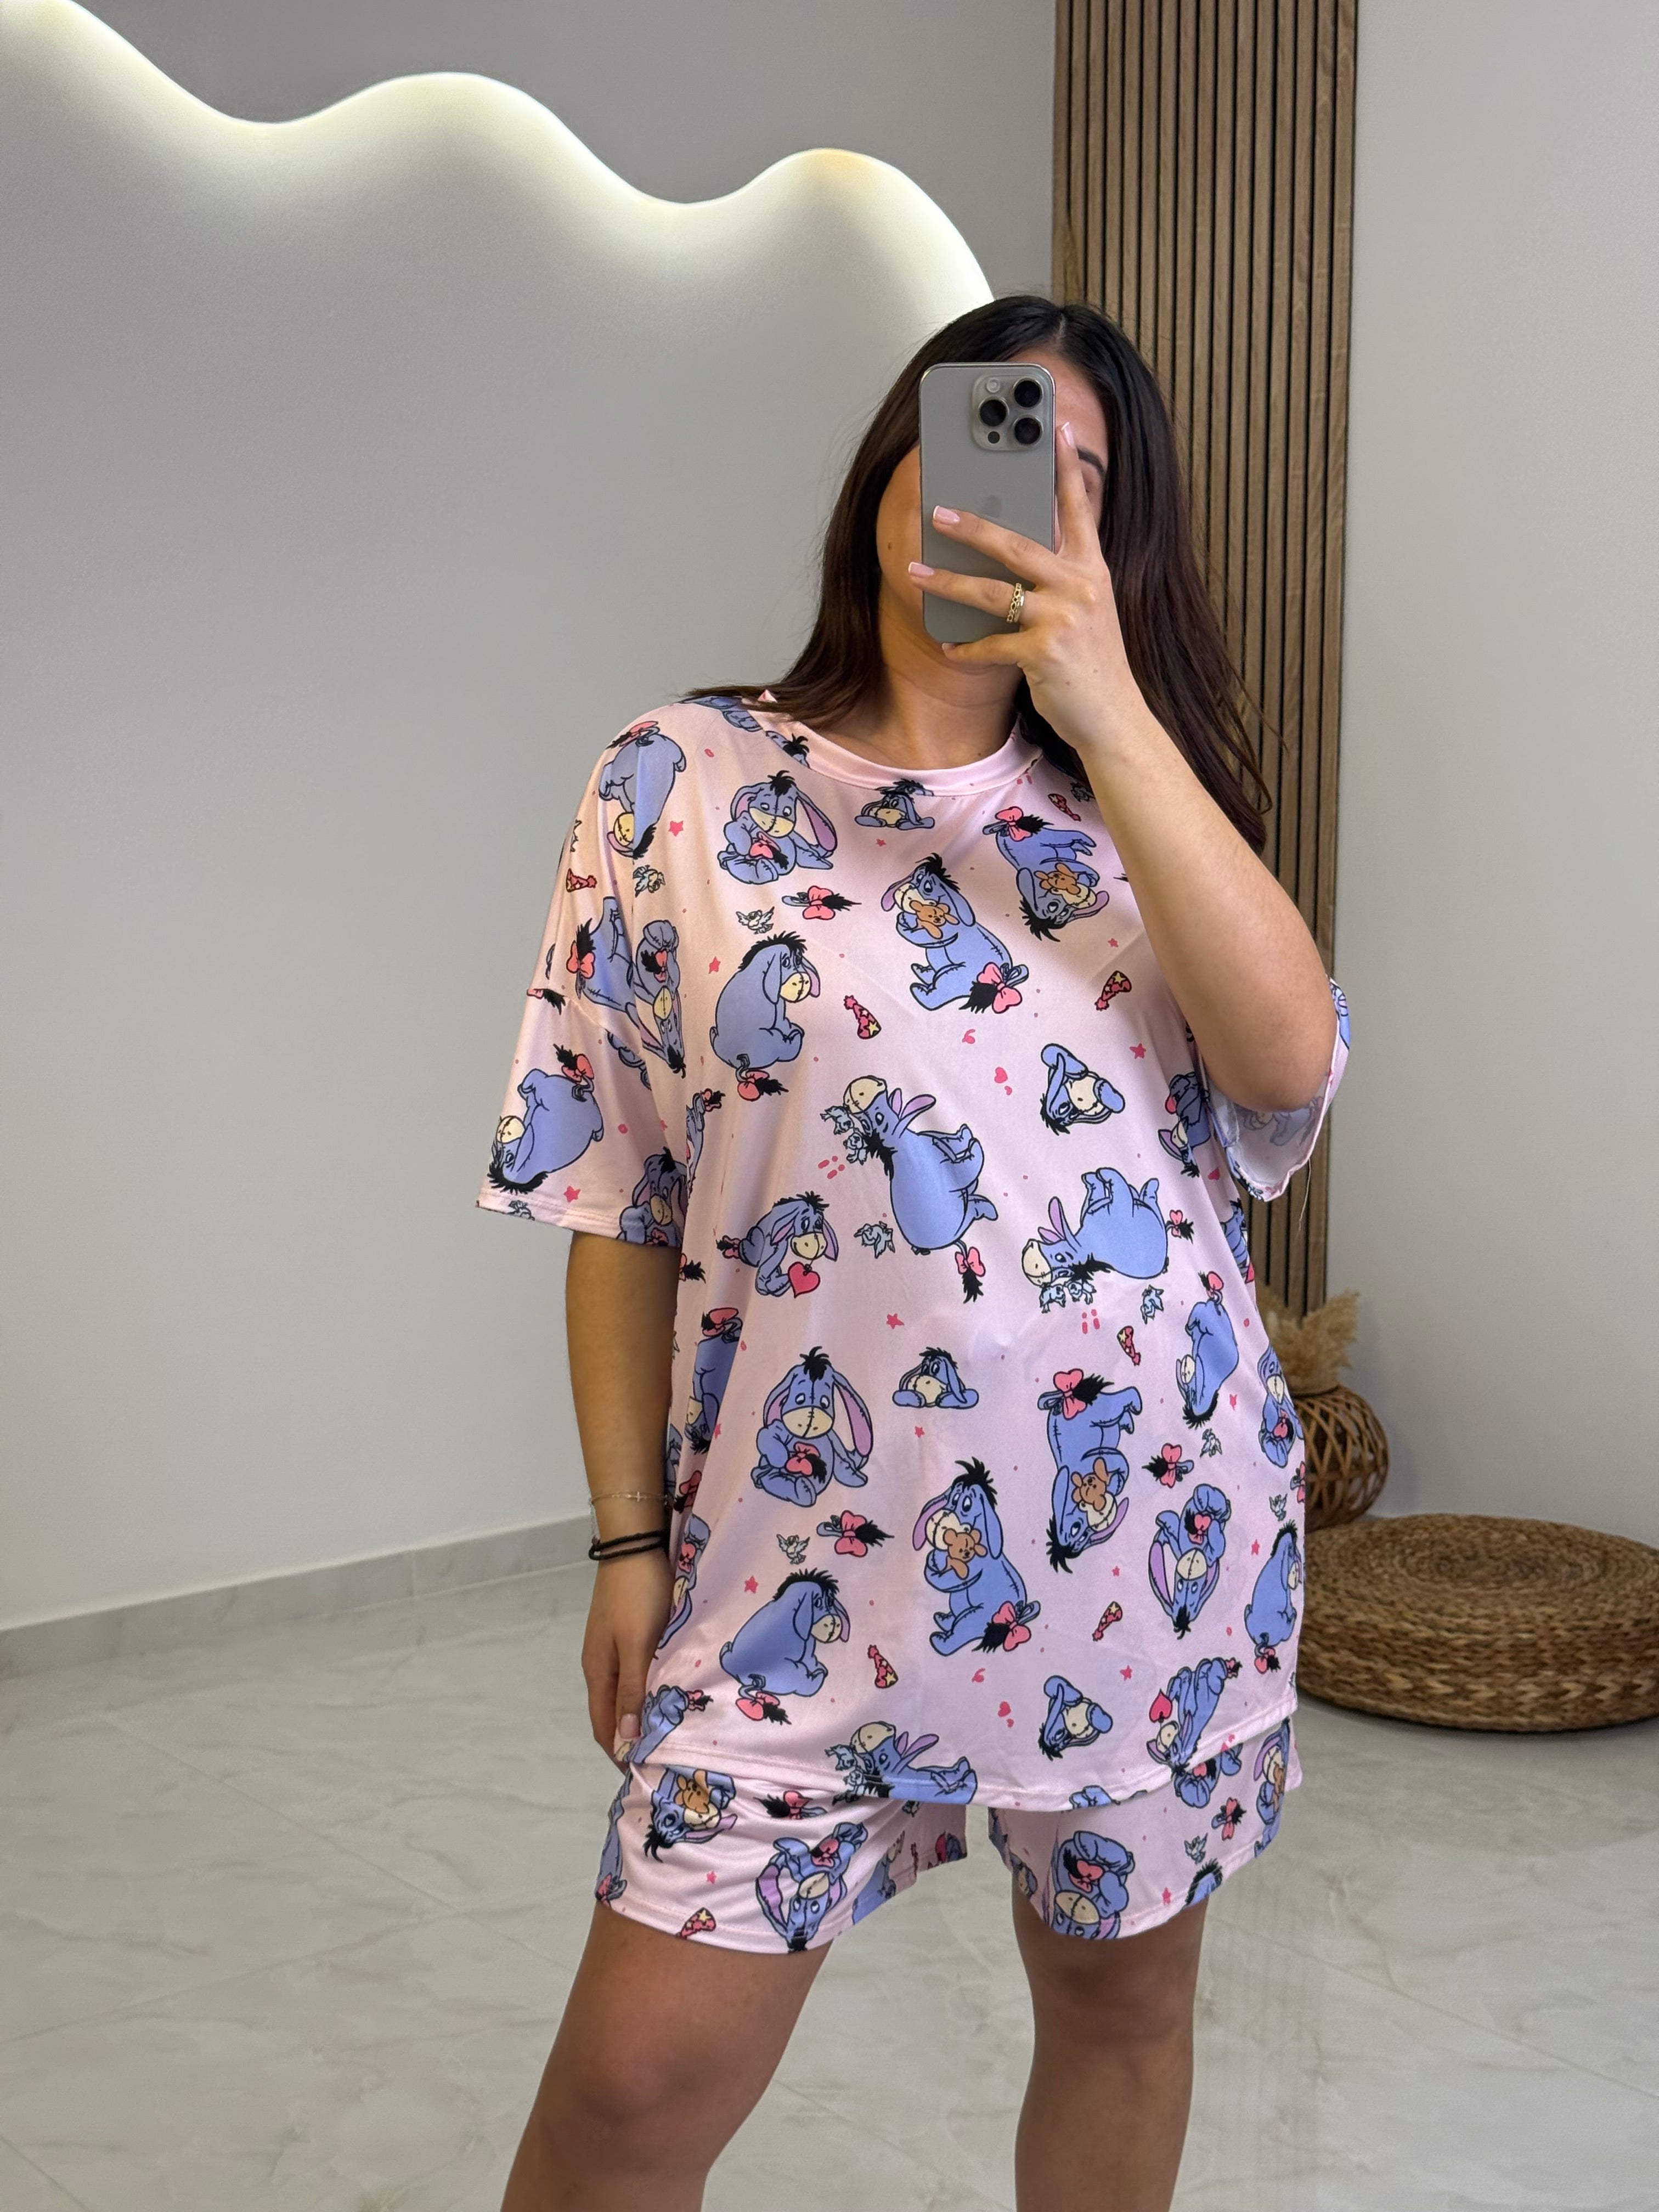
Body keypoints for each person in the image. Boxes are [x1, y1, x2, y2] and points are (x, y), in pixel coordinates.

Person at [482, 295, 1349, 2212]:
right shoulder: (679, 781)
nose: (1016, 491)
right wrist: (626, 1543)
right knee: (630, 2095)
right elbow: (617, 1194)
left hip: (1145, 1553)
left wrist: (1109, 710)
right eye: (987, 432)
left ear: (1119, 543)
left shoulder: (1141, 809)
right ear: (895, 464)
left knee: (1122, 2015)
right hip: (796, 1568)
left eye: (1079, 474)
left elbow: (1289, 1067)